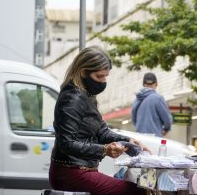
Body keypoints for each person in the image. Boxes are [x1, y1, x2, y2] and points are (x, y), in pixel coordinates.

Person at [49, 46, 149, 195]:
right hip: (70, 173)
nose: (103, 81)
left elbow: (101, 131)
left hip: (83, 170)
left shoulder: (87, 96)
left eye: (105, 76)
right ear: (83, 72)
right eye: (99, 76)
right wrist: (104, 150)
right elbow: (66, 143)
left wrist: (128, 140)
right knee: (137, 191)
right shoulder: (73, 98)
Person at [131, 72, 172, 137]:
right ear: (156, 84)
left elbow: (133, 120)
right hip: (154, 138)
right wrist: (166, 129)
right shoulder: (158, 98)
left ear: (143, 84)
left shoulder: (137, 99)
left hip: (140, 137)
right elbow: (167, 119)